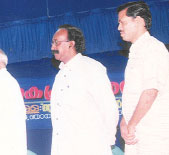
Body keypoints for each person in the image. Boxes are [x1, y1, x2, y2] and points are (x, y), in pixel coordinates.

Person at [49, 24, 119, 155]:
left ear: (71, 44)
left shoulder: (91, 68)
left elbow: (109, 108)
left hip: (90, 147)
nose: (52, 47)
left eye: (56, 43)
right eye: (52, 43)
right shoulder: (60, 75)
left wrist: (106, 142)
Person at [117, 1, 169, 154]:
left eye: (122, 22)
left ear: (138, 21)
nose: (119, 28)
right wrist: (124, 122)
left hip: (153, 134)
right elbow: (134, 95)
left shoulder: (153, 48)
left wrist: (131, 125)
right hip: (136, 133)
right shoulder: (136, 52)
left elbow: (150, 91)